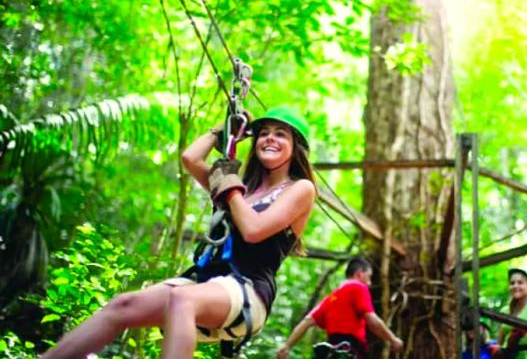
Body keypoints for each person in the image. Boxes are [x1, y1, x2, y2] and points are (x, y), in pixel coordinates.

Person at [42, 105, 317, 359]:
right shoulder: (241, 188)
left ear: (295, 149)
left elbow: (254, 231)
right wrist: (223, 131)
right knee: (123, 305)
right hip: (210, 281)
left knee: (182, 298)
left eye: (281, 135)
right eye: (264, 133)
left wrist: (230, 187)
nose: (270, 139)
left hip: (249, 290)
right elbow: (191, 158)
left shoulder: (299, 188)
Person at [276, 257, 403, 359]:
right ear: (359, 274)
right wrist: (392, 339)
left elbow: (307, 321)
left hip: (331, 350)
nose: (369, 283)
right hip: (351, 348)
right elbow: (372, 320)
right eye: (368, 277)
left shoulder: (331, 298)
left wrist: (287, 346)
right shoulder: (358, 287)